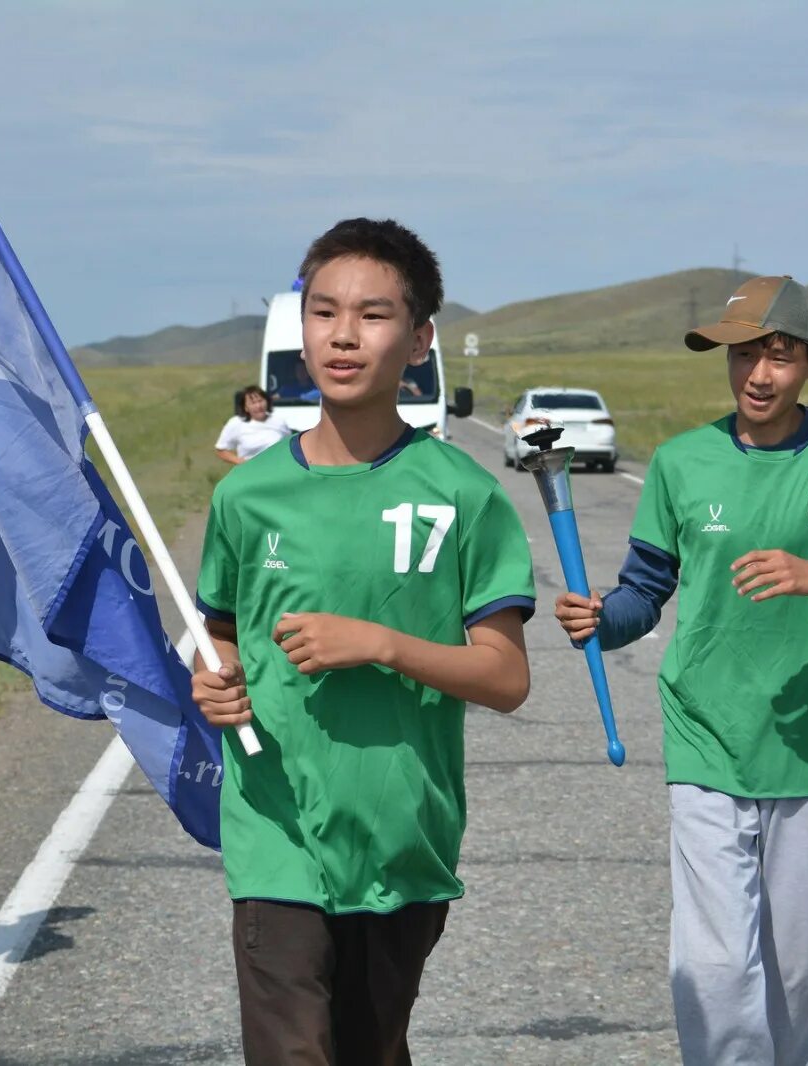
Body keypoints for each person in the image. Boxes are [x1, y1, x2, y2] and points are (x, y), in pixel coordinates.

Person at [192, 218, 536, 1065]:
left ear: (419, 339)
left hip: (401, 837)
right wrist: (216, 682)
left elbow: (504, 677)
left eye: (374, 316)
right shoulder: (248, 496)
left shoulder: (462, 493)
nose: (344, 336)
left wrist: (382, 643)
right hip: (276, 832)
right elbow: (219, 638)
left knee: (370, 1050)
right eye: (323, 313)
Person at [554, 276, 808, 1065]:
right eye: (743, 353)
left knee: (793, 980)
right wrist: (601, 619)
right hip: (706, 739)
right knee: (714, 969)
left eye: (778, 355)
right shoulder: (683, 463)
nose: (758, 373)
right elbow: (645, 593)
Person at [214, 385, 291, 465]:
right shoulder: (236, 423)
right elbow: (221, 450)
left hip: (277, 468)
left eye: (260, 401)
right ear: (246, 407)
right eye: (253, 403)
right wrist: (241, 462)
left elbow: (289, 444)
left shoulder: (278, 420)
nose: (258, 406)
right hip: (251, 472)